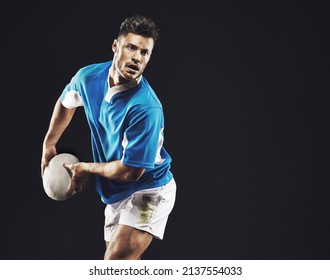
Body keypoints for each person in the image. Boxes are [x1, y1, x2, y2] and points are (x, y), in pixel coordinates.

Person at [41, 14, 176, 260]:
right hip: (115, 195)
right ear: (116, 46)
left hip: (149, 191)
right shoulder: (88, 78)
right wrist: (49, 142)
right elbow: (66, 101)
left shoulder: (146, 108)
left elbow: (131, 172)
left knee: (114, 265)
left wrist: (86, 168)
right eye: (131, 47)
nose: (137, 57)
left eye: (144, 53)